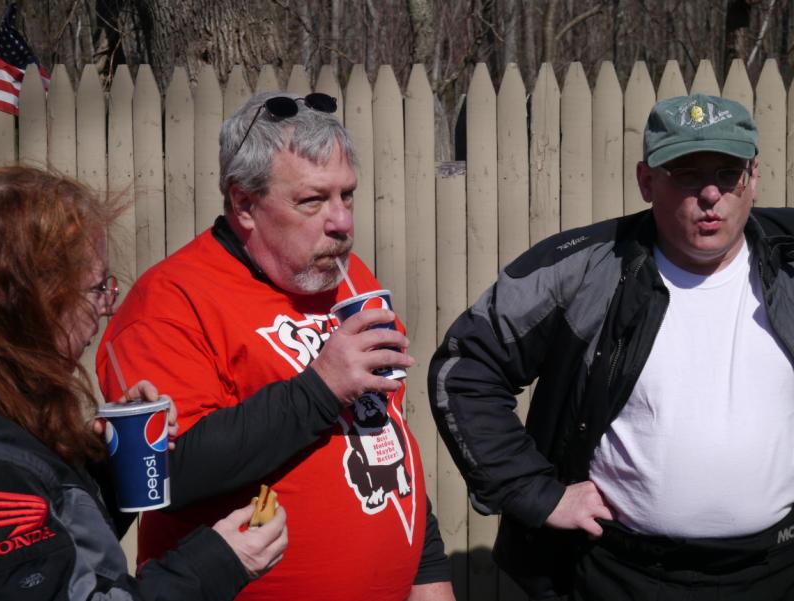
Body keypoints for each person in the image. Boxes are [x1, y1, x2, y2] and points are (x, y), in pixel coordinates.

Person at [429, 93, 794, 601]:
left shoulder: (788, 260)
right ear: (647, 181)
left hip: (774, 572)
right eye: (687, 174)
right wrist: (536, 493)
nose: (711, 194)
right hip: (621, 574)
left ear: (752, 178)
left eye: (728, 173)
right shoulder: (585, 270)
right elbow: (466, 367)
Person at [97, 91, 454, 601]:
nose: (342, 222)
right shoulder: (171, 302)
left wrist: (429, 576)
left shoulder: (348, 279)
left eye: (347, 195)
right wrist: (321, 389)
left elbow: (386, 434)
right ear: (244, 203)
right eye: (313, 200)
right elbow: (168, 475)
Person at [0, 166, 287, 600]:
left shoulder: (17, 409)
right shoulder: (4, 468)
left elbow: (68, 546)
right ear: (34, 298)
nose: (107, 306)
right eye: (97, 288)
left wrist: (112, 461)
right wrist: (217, 562)